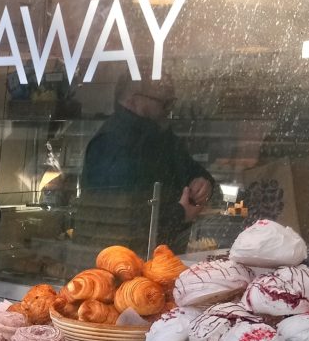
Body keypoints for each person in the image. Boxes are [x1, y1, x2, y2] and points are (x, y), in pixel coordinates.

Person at [79, 80, 216, 250]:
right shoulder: (113, 141)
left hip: (157, 250)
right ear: (134, 100)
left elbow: (189, 169)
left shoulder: (159, 136)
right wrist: (179, 214)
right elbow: (117, 214)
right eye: (165, 103)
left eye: (171, 103)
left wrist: (202, 182)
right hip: (123, 256)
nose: (170, 110)